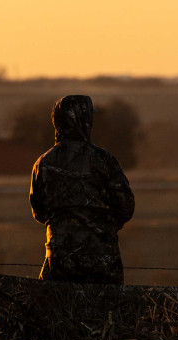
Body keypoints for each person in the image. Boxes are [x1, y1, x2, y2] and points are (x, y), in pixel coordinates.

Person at [30, 95, 135, 285]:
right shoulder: (103, 160)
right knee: (106, 312)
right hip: (102, 258)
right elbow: (126, 207)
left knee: (58, 312)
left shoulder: (43, 163)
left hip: (58, 258)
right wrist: (106, 223)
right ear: (85, 120)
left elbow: (38, 211)